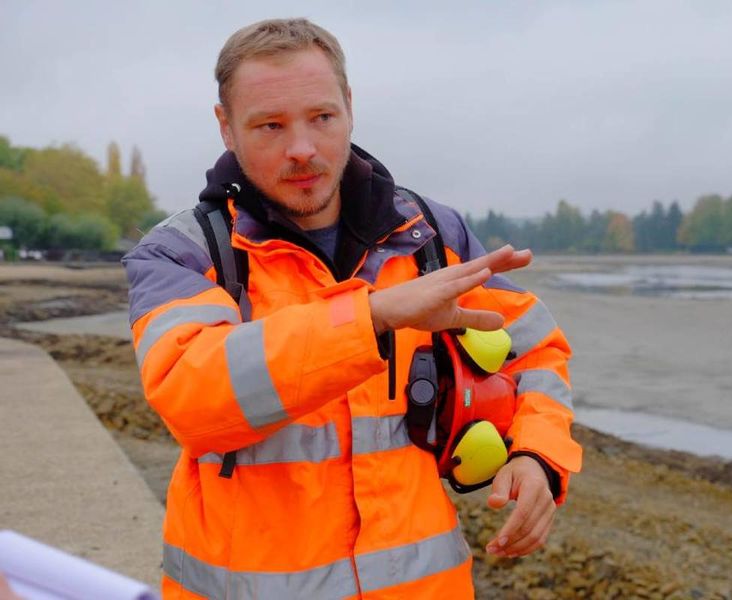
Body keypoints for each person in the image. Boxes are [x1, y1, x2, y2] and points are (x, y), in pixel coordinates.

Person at [124, 17, 581, 599]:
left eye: (322, 117)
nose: (302, 149)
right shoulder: (182, 254)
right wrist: (374, 316)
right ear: (226, 127)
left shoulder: (431, 233)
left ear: (349, 105)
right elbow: (196, 395)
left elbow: (534, 350)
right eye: (269, 125)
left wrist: (537, 454)